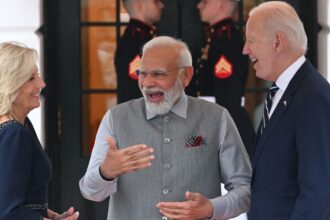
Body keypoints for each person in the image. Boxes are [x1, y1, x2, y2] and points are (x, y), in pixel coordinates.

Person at [80, 36, 251, 219]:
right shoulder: (116, 118)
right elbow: (90, 192)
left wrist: (211, 208)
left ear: (186, 75)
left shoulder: (216, 117)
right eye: (142, 74)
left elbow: (245, 190)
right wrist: (105, 172)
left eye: (158, 74)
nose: (147, 83)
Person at [243, 2, 330, 219]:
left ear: (278, 41)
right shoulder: (284, 90)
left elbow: (318, 191)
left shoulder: (313, 98)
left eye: (251, 40)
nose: (245, 49)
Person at [0, 42, 79, 220]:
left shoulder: (21, 124)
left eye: (38, 75)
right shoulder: (14, 133)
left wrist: (49, 215)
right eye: (31, 78)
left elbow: (18, 197)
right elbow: (7, 212)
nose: (42, 83)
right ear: (11, 83)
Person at [189, 0, 255, 155]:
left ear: (220, 4)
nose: (199, 5)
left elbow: (227, 95)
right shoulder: (217, 36)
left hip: (225, 126)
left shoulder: (226, 39)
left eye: (204, 2)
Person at [115, 0, 164, 104]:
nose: (161, 5)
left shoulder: (142, 36)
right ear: (140, 6)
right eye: (155, 2)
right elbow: (136, 85)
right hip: (138, 114)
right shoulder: (135, 39)